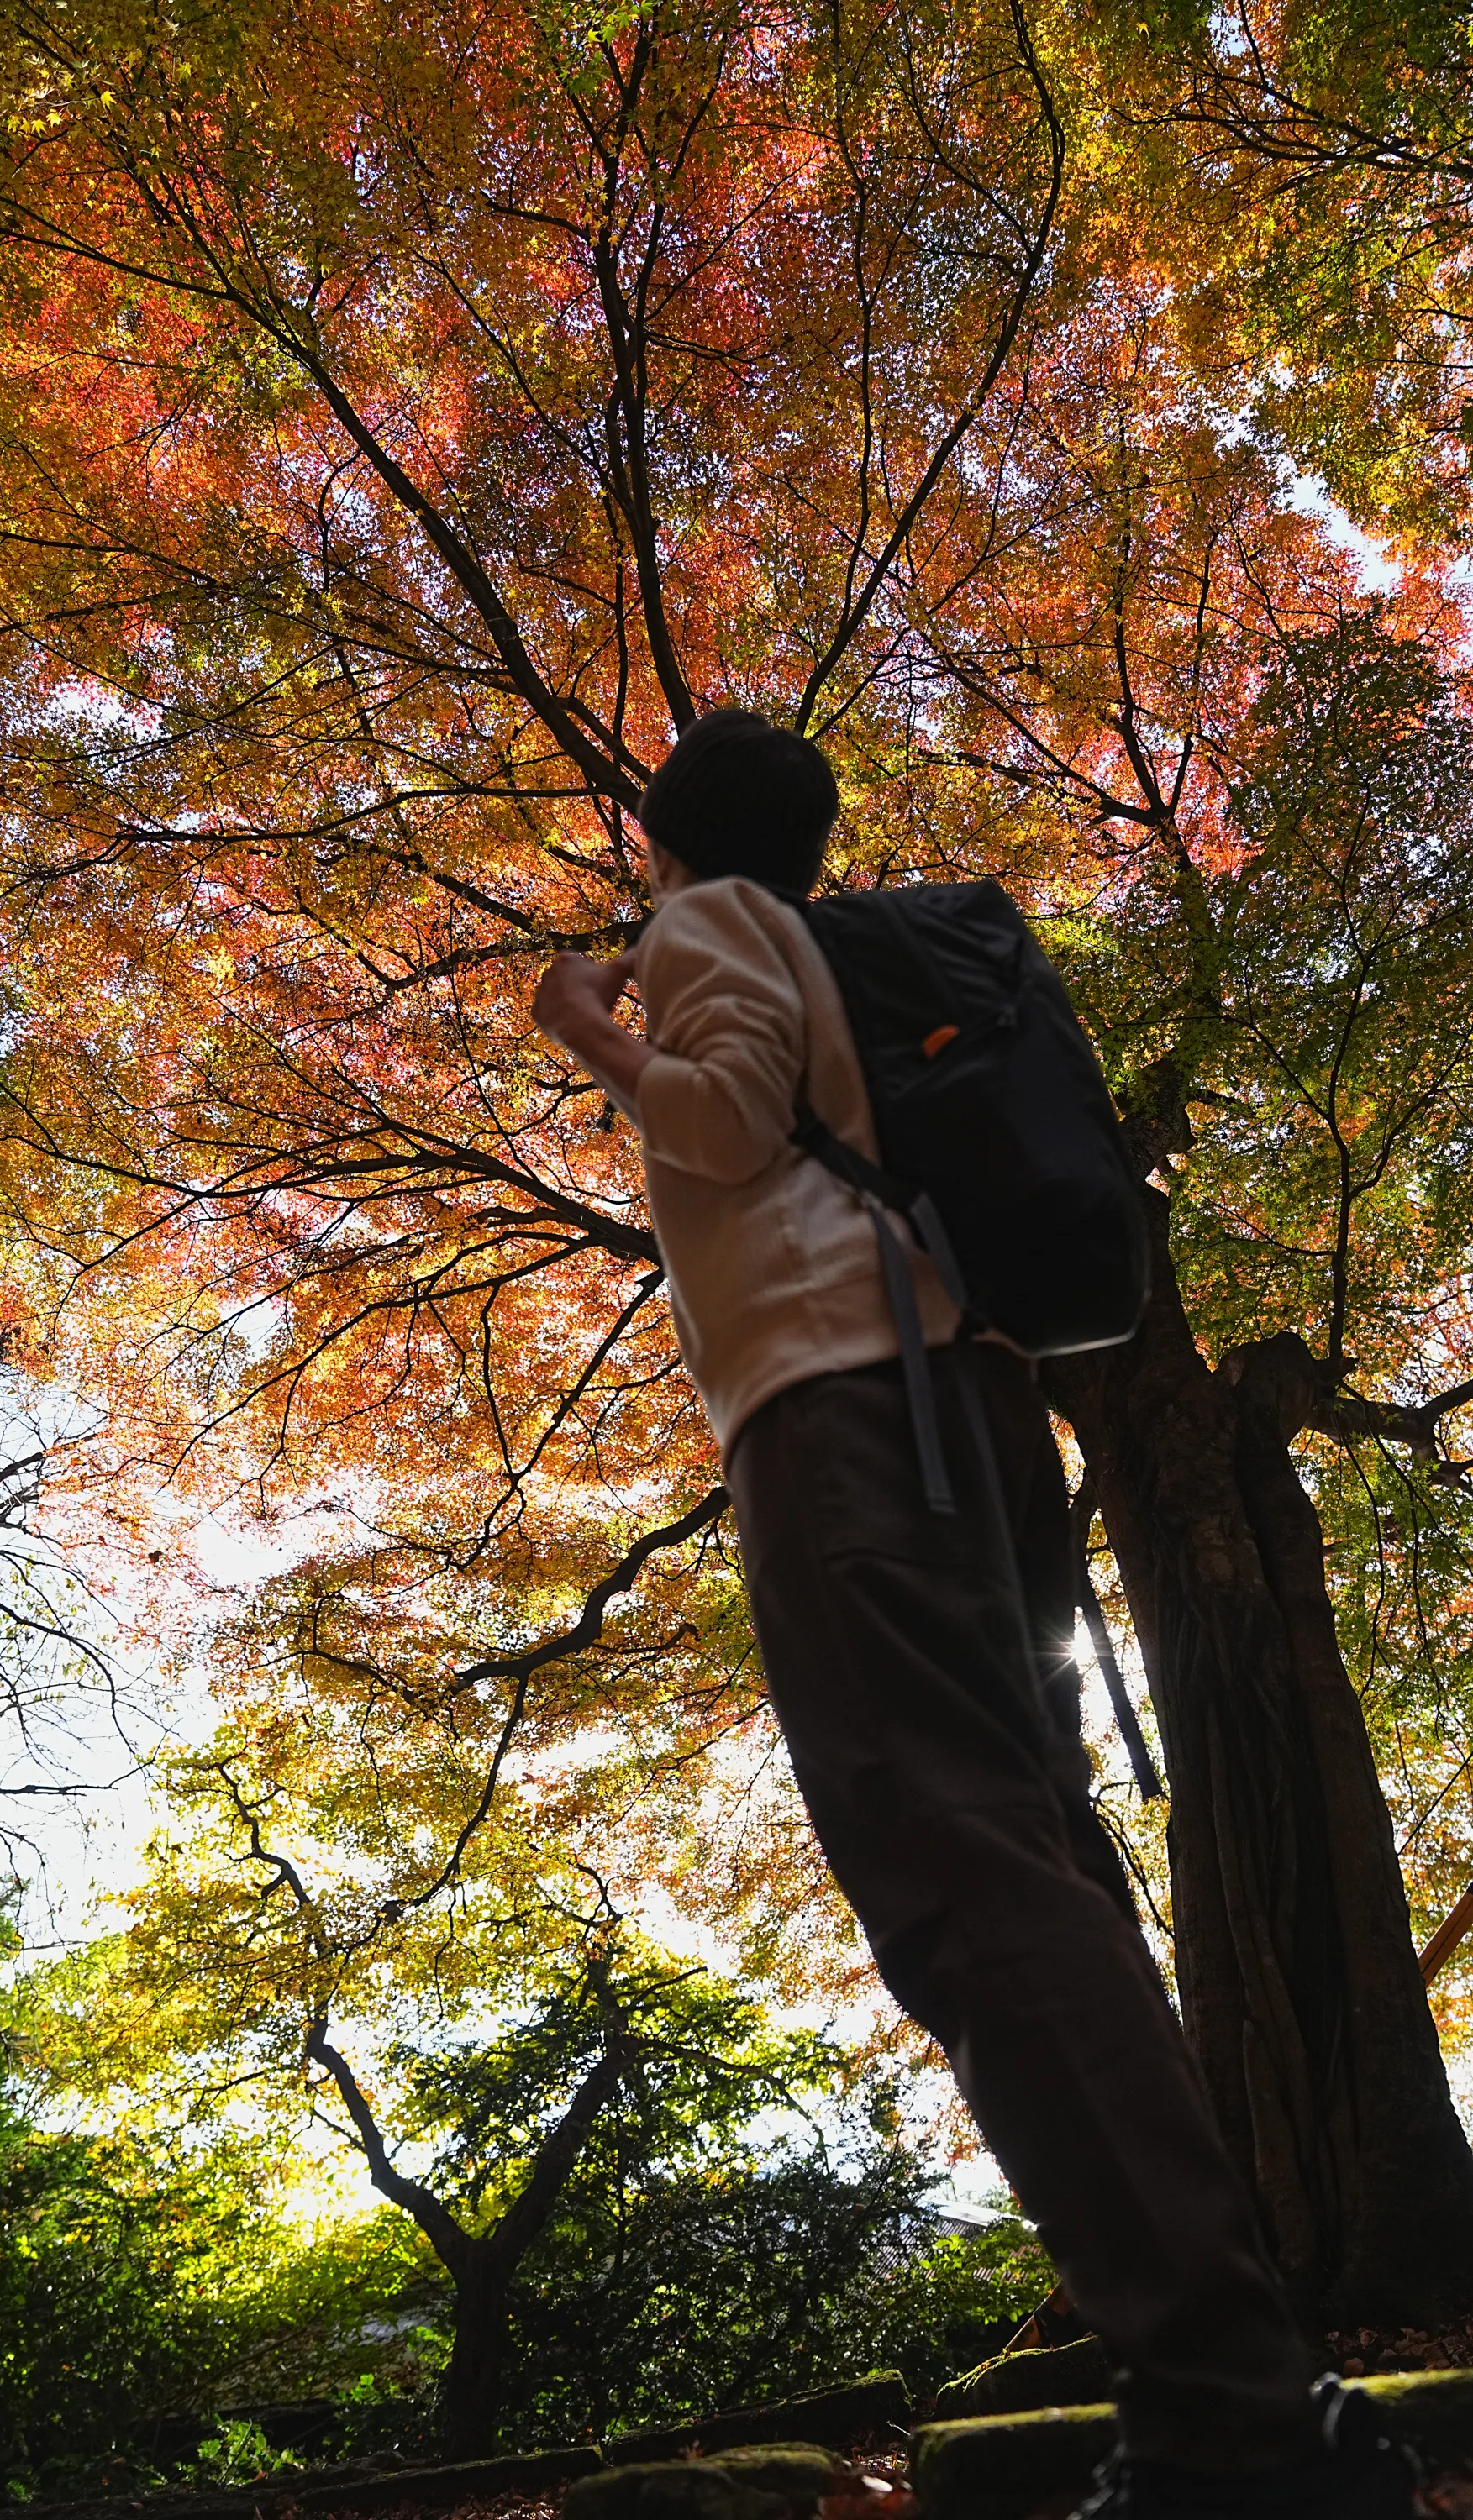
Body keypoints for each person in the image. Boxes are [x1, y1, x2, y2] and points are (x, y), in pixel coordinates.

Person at [530, 707, 1416, 2520]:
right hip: (974, 1419)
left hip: (854, 1431)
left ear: (664, 837)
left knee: (962, 1873)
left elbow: (721, 1119)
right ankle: (1240, 2401)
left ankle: (1239, 2423)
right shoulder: (820, 943)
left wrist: (587, 1025)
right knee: (1040, 1860)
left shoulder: (708, 922)